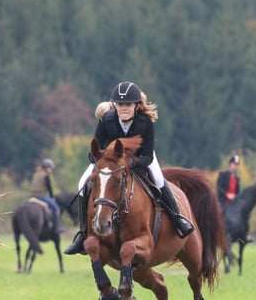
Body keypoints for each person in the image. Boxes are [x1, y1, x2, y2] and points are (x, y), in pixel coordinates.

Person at [64, 81, 194, 255]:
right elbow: (96, 149)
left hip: (140, 159)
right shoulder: (107, 120)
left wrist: (130, 163)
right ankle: (83, 233)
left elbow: (147, 156)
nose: (123, 108)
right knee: (82, 183)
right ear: (114, 105)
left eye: (127, 104)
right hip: (110, 162)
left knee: (158, 178)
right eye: (120, 104)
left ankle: (178, 218)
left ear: (136, 105)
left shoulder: (145, 122)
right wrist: (96, 159)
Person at [30, 158, 63, 233]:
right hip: (41, 196)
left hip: (32, 196)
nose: (51, 170)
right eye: (51, 168)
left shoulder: (36, 174)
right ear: (47, 168)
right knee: (56, 208)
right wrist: (52, 197)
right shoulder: (46, 175)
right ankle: (58, 226)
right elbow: (49, 188)